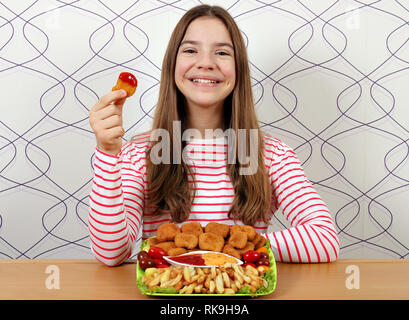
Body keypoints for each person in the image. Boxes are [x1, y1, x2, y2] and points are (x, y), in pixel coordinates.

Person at [88, 5, 339, 267]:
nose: (206, 63)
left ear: (238, 68)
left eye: (221, 52)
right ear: (172, 65)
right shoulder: (139, 152)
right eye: (190, 50)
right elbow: (111, 252)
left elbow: (324, 237)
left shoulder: (272, 154)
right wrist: (107, 152)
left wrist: (237, 247)